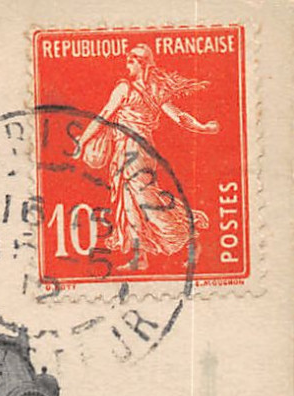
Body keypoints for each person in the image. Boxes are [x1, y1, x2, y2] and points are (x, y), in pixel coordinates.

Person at [71, 44, 219, 270]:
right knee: (134, 201)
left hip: (132, 151)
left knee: (142, 201)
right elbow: (179, 117)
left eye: (131, 60)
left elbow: (104, 116)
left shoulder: (124, 88)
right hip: (141, 150)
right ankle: (139, 257)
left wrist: (82, 141)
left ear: (141, 63)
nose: (127, 63)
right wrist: (203, 127)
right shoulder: (155, 90)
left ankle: (185, 233)